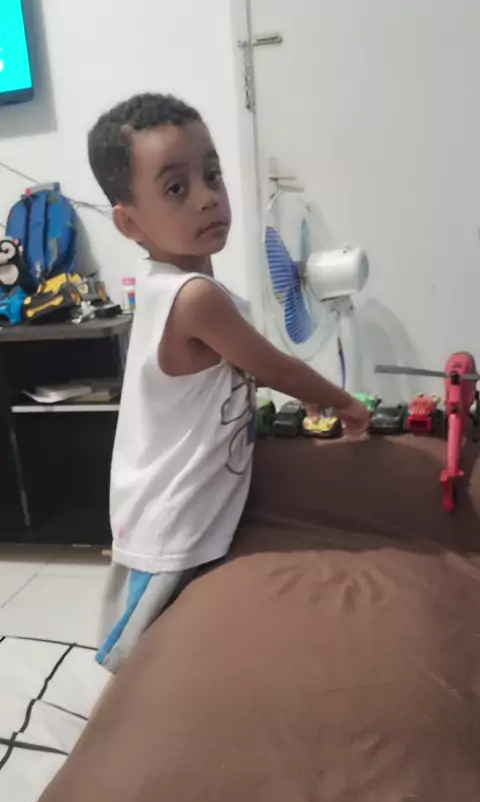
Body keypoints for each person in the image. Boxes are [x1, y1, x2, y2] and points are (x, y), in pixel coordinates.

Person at [88, 92, 370, 673]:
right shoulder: (194, 298)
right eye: (176, 188)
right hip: (174, 522)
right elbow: (276, 368)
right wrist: (344, 403)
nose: (208, 196)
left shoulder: (165, 285)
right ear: (129, 222)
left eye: (212, 174)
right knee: (150, 660)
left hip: (163, 509)